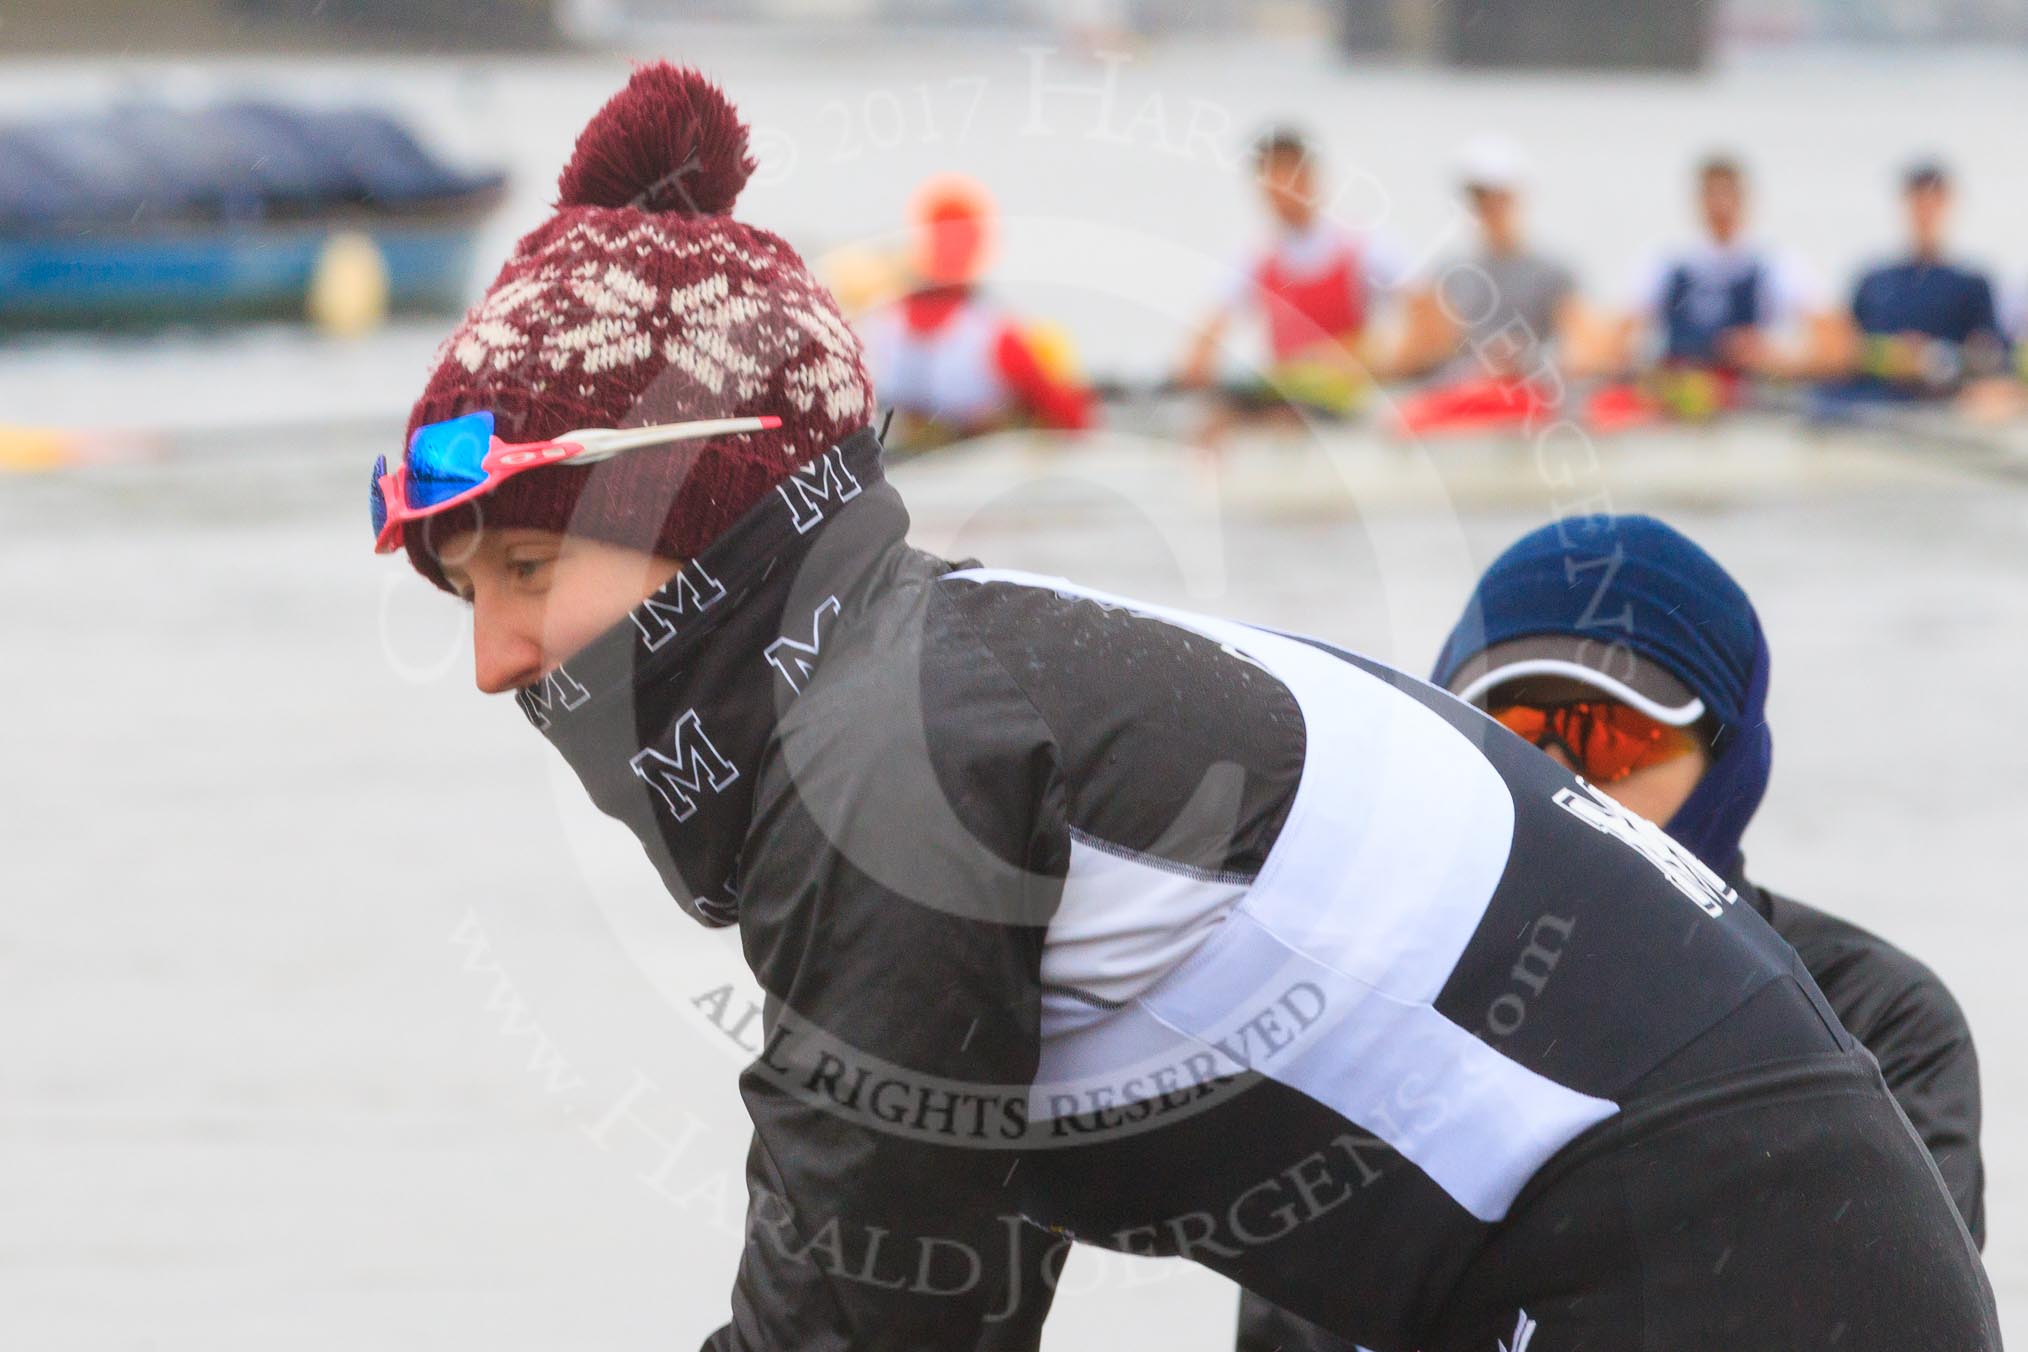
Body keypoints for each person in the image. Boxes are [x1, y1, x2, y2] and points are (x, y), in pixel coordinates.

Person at [374, 67, 2000, 1351]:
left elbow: (863, 1322)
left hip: (1711, 1275)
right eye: (463, 593)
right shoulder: (955, 674)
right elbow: (948, 1272)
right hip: (1719, 1250)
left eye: (524, 564)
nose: (495, 657)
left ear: (708, 525)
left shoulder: (893, 754)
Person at [1240, 513, 1987, 1352]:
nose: (1563, 780)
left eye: (1617, 738)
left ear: (1732, 762)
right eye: (1517, 733)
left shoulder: (1877, 1019)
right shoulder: (1347, 1012)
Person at [1177, 126, 1410, 440]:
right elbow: (1202, 346)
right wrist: (1194, 372)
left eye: (1290, 174)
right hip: (1290, 395)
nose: (1280, 187)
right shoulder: (1252, 256)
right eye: (1271, 177)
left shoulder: (1367, 246)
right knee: (1215, 418)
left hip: (1352, 397)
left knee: (1275, 414)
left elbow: (1433, 330)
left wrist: (1372, 362)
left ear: (1311, 177)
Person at [856, 172, 1092, 451]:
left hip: (896, 458)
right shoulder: (997, 336)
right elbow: (1077, 421)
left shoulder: (875, 327)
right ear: (979, 248)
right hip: (973, 460)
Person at [1608, 155, 1846, 415]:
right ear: (1698, 201)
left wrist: (1774, 357)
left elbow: (1837, 351)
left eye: (1727, 196)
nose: (1720, 206)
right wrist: (1655, 379)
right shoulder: (1665, 263)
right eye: (1712, 196)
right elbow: (1613, 348)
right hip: (1678, 395)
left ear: (1744, 200)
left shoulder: (1777, 264)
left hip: (1749, 397)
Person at [1389, 136, 1595, 435]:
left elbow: (1582, 352)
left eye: (1496, 196)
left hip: (1527, 397)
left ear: (1516, 197)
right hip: (1462, 400)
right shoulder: (1447, 274)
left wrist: (1525, 360)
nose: (1487, 207)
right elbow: (1412, 359)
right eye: (1479, 198)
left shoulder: (1553, 272)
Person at [1839, 160, 2015, 411]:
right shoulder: (1874, 281)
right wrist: (1889, 357)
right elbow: (1844, 348)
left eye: (1933, 203)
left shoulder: (1971, 285)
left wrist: (1930, 358)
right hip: (1873, 404)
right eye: (1919, 203)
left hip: (1937, 407)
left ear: (1947, 206)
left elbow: (1991, 357)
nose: (1925, 213)